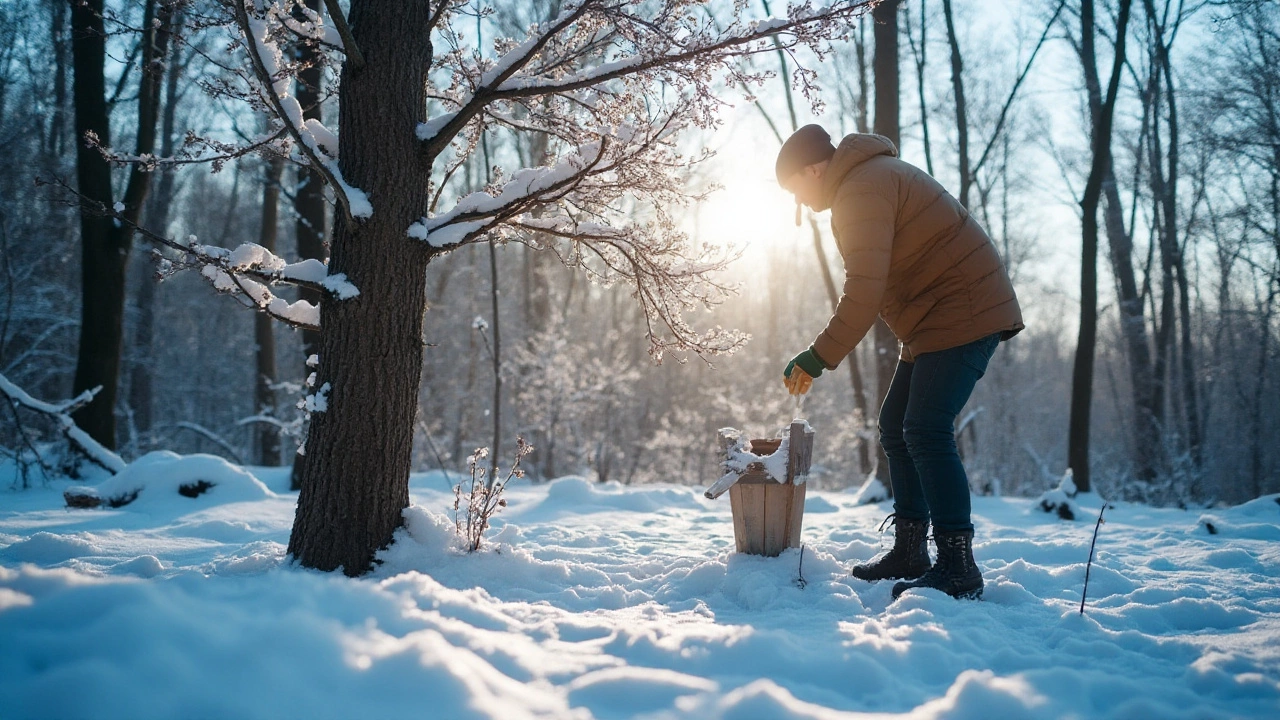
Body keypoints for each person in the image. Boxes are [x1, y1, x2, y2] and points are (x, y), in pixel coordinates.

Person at [775, 124, 1023, 601]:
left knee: (925, 427)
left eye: (796, 191)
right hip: (937, 317)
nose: (802, 203)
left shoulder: (861, 190)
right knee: (896, 424)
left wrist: (818, 355)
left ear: (812, 170)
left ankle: (958, 566)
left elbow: (864, 293)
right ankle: (911, 549)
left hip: (963, 311)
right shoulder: (867, 178)